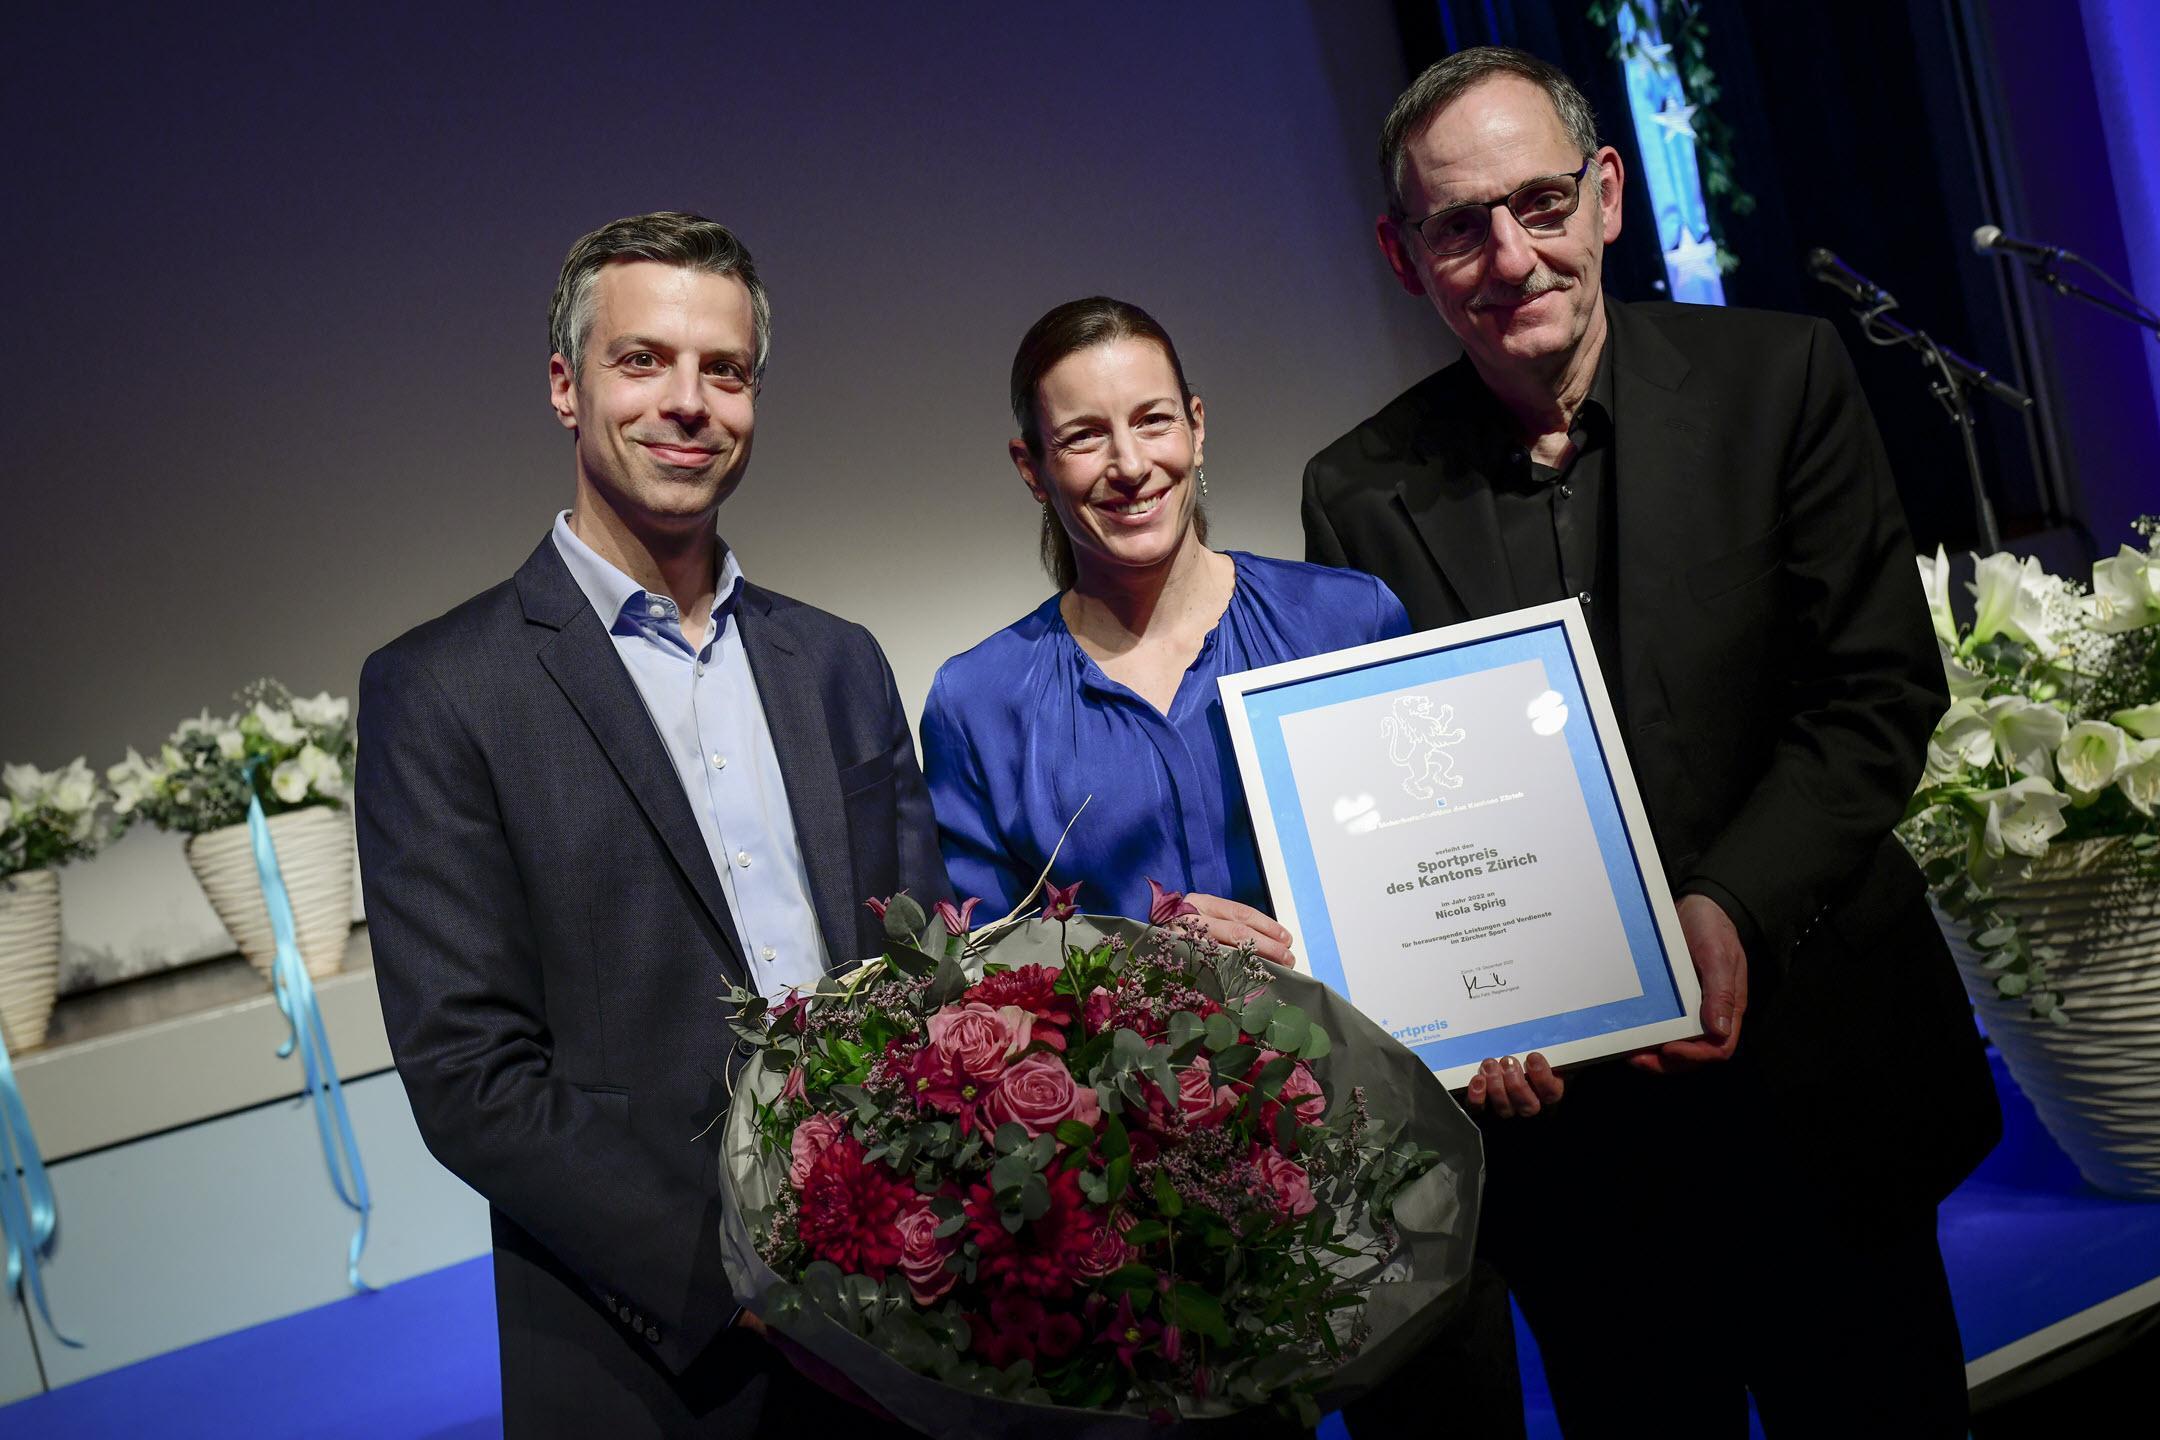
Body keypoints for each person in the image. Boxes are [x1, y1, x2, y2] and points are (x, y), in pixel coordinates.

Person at [1302, 47, 2000, 1435]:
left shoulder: (1782, 377)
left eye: (1541, 202)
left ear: (1607, 195)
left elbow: (1874, 696)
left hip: (1821, 1094)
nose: (1511, 254)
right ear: (1403, 254)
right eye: (1459, 225)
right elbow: (1401, 804)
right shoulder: (1359, 493)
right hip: (1580, 1159)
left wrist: (1728, 901)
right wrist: (1468, 1009)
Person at [355, 211, 945, 1437]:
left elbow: (923, 975)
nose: (689, 402)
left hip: (910, 1324)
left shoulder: (837, 662)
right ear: (567, 388)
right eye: (645, 361)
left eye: (723, 371)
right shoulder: (441, 690)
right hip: (653, 1348)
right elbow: (471, 1074)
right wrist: (743, 1283)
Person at [920, 296, 1409, 960]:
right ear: (1032, 468)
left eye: (1153, 421)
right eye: (1084, 436)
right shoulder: (978, 704)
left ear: (1197, 426)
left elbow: (1428, 863)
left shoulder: (1347, 622)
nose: (1129, 465)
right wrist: (1137, 965)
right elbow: (980, 971)